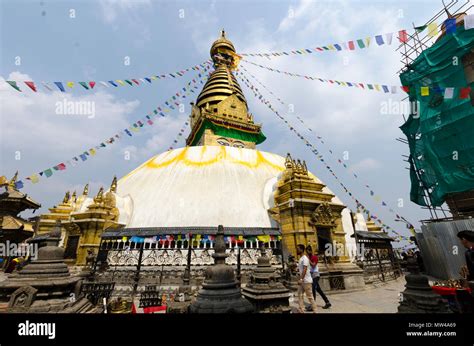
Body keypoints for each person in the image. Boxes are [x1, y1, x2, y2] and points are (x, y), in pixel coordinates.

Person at [306, 245, 331, 310]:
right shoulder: (310, 257)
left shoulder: (314, 257)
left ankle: (313, 306)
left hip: (315, 275)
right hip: (311, 275)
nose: (308, 252)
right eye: (307, 251)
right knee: (319, 290)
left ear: (311, 251)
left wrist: (308, 260)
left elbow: (313, 265)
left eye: (308, 251)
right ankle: (327, 302)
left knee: (313, 290)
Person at [296, 244, 317, 313]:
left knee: (310, 296)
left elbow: (305, 269)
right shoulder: (301, 259)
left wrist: (301, 279)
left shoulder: (305, 258)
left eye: (298, 249)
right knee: (300, 294)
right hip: (302, 281)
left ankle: (315, 310)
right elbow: (302, 269)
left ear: (302, 250)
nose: (297, 250)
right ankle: (301, 309)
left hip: (306, 281)